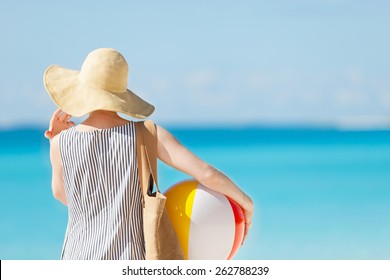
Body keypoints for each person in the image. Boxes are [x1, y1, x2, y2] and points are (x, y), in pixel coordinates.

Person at [44, 48, 254, 260]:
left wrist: (56, 139)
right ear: (121, 93)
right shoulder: (147, 134)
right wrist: (246, 203)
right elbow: (206, 175)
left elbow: (63, 196)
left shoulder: (61, 142)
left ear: (83, 90)